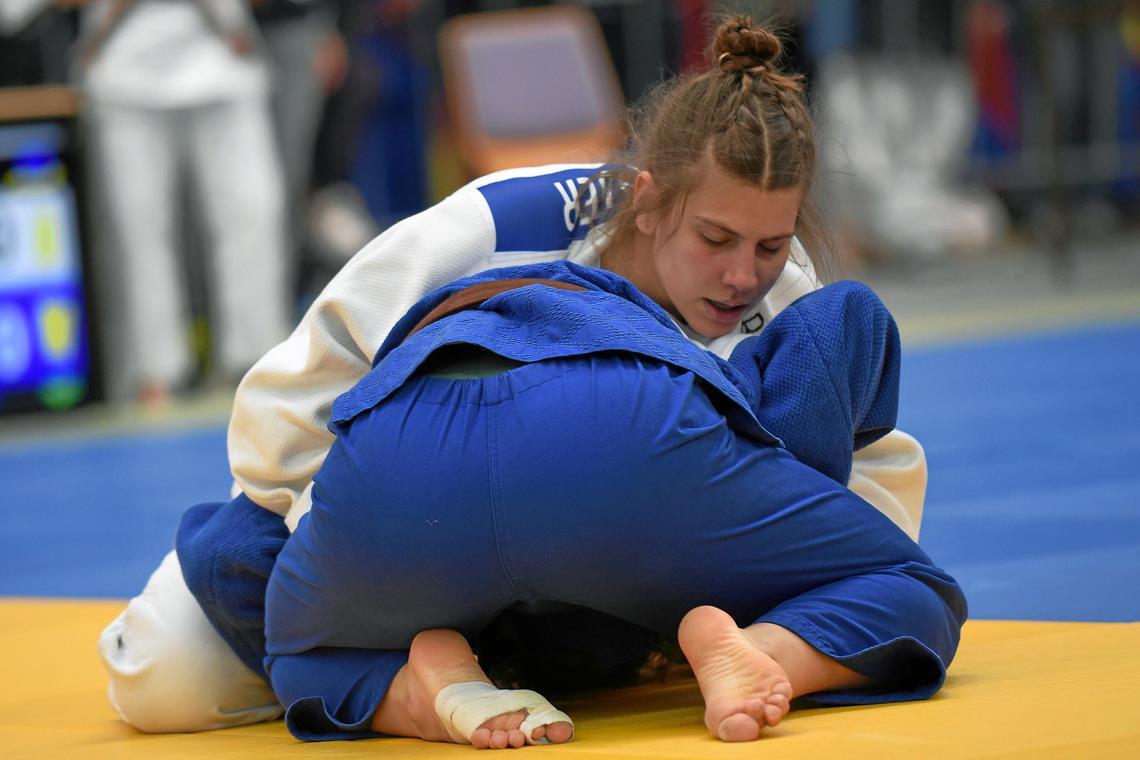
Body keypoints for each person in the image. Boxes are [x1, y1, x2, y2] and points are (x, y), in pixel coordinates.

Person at [98, 14, 939, 738]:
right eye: (715, 241)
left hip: (612, 550)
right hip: (405, 504)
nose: (742, 275)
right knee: (165, 681)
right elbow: (290, 395)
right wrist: (335, 524)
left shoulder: (782, 281)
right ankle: (448, 646)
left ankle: (438, 674)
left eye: (767, 245)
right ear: (645, 201)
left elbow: (852, 460)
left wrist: (800, 589)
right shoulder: (502, 221)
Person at [78, 0, 291, 402]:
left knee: (254, 213)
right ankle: (154, 372)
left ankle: (257, 360)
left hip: (225, 58)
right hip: (123, 64)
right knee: (138, 228)